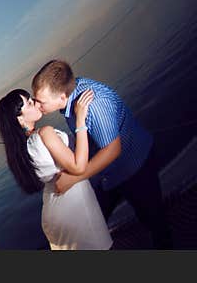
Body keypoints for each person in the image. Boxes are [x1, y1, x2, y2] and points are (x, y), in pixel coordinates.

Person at [31, 60, 172, 248]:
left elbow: (113, 149)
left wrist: (73, 178)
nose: (36, 105)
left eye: (41, 102)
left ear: (62, 97)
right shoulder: (69, 94)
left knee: (154, 222)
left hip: (134, 167)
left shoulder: (95, 105)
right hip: (106, 174)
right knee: (93, 221)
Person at [0, 87, 112, 249]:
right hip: (74, 206)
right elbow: (78, 167)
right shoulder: (45, 133)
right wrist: (80, 119)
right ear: (20, 119)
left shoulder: (21, 150)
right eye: (29, 103)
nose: (35, 104)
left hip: (53, 210)